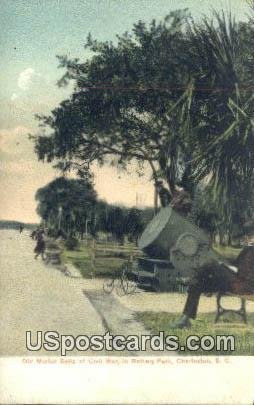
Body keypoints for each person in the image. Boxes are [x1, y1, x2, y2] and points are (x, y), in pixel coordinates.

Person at [173, 246, 254, 328]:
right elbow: (235, 264)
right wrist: (225, 266)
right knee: (197, 284)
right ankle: (185, 319)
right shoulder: (248, 249)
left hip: (245, 286)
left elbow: (246, 275)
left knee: (212, 263)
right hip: (232, 282)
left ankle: (191, 278)